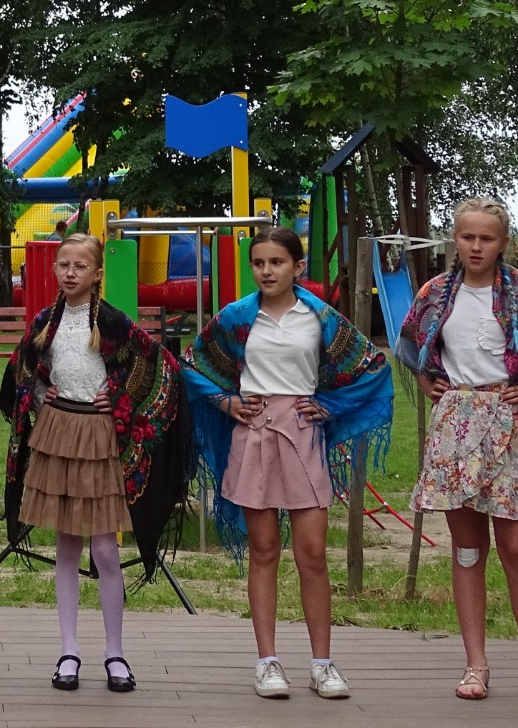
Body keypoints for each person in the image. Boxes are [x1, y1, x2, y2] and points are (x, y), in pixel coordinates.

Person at [185, 227, 391, 701]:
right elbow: (193, 365)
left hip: (302, 435)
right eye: (258, 263)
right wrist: (226, 402)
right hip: (254, 435)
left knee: (312, 553)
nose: (267, 271)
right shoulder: (237, 317)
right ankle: (267, 662)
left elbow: (371, 366)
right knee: (264, 550)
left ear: (297, 267)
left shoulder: (320, 318)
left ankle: (322, 664)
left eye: (277, 262)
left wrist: (330, 406)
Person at [397, 198, 518, 701]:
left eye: (487, 238)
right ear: (455, 239)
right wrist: (427, 379)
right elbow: (410, 341)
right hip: (456, 425)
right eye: (467, 237)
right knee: (468, 548)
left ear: (503, 242)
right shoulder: (436, 293)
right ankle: (475, 665)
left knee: (517, 547)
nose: (476, 246)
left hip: (510, 423)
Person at [1, 234, 191, 694]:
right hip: (59, 433)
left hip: (101, 437)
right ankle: (69, 651)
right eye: (63, 264)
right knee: (67, 545)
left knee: (105, 549)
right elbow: (20, 372)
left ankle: (115, 652)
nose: (70, 272)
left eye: (80, 266)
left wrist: (121, 397)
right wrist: (41, 393)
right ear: (54, 269)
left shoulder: (113, 322)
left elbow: (161, 365)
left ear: (97, 273)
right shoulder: (44, 322)